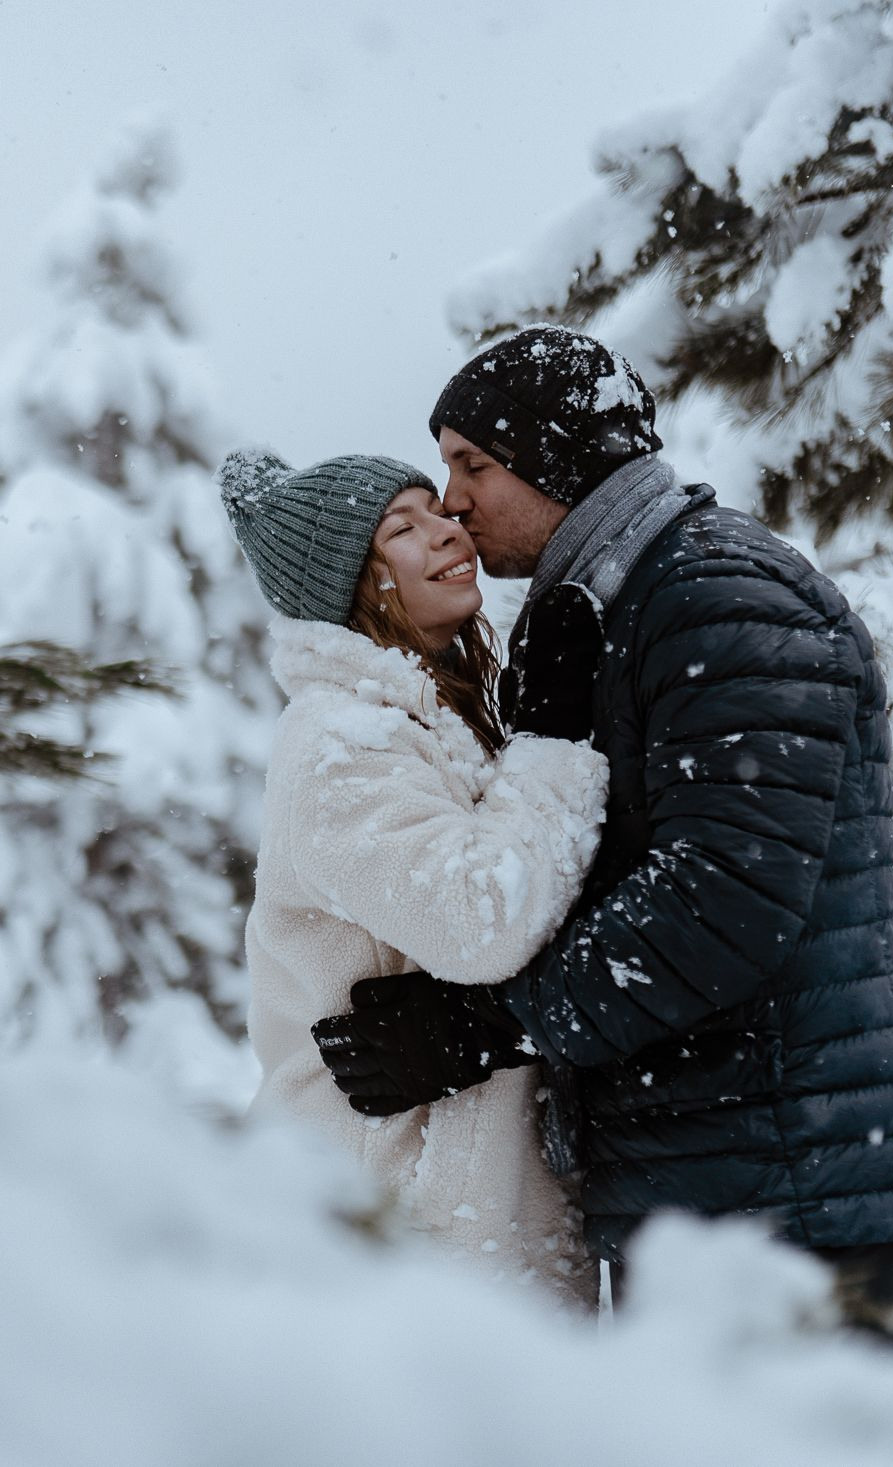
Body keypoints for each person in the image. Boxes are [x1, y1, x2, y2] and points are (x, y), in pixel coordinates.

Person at [311, 325, 893, 1350]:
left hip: (782, 1188)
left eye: (472, 464)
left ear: (558, 456)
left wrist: (494, 1027)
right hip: (711, 1179)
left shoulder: (718, 597)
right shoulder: (618, 608)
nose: (453, 502)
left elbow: (721, 901)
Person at [218, 446, 612, 1307]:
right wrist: (554, 738)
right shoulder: (341, 744)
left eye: (439, 509)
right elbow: (482, 918)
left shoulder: (435, 715)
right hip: (392, 1211)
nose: (449, 531)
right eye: (404, 528)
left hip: (460, 1200)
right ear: (351, 583)